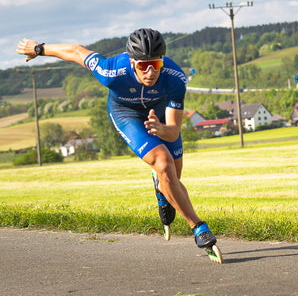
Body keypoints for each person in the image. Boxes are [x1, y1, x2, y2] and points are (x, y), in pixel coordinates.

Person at [16, 28, 217, 252]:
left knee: (173, 181)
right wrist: (39, 49)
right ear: (132, 63)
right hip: (126, 114)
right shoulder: (111, 71)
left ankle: (162, 191)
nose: (150, 72)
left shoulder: (175, 78)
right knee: (163, 163)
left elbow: (173, 132)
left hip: (159, 116)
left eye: (155, 64)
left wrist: (161, 129)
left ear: (162, 60)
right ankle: (198, 227)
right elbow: (76, 52)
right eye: (143, 66)